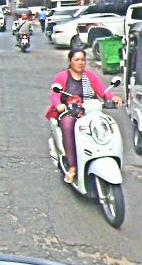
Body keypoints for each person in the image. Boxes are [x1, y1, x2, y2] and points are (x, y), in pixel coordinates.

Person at [49, 48, 122, 183]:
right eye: (77, 60)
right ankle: (72, 166)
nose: (80, 62)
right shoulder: (62, 77)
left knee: (106, 125)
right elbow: (55, 95)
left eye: (83, 60)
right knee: (68, 125)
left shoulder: (90, 77)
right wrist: (59, 105)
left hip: (90, 111)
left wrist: (112, 97)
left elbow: (102, 91)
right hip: (70, 111)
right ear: (70, 61)